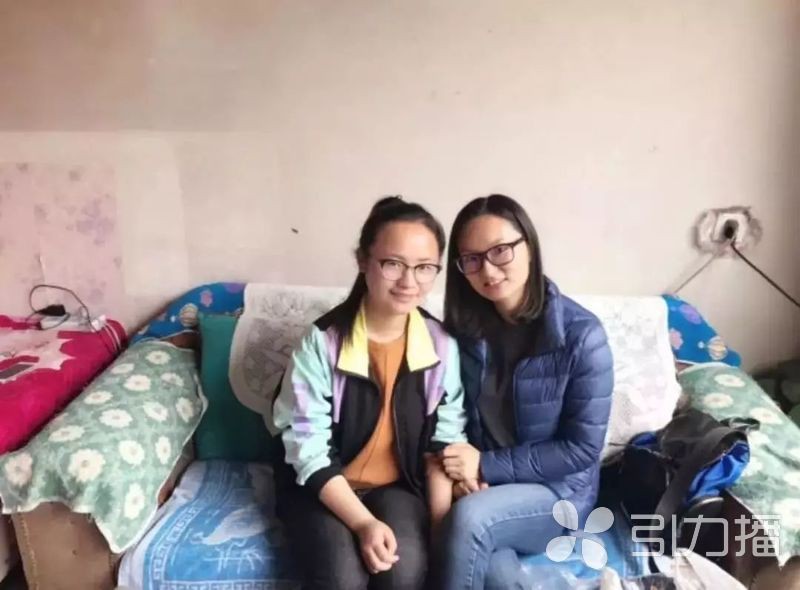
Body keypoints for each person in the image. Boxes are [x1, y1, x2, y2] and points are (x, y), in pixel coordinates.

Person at [271, 196, 467, 590]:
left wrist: (440, 527)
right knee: (341, 577)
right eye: (393, 264)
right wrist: (363, 523)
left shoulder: (441, 346)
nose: (409, 282)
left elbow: (444, 443)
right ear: (363, 261)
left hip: (397, 487)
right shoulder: (323, 342)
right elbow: (307, 449)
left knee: (403, 571)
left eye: (424, 267)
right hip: (321, 487)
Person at [436, 194, 614, 590]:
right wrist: (464, 474)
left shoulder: (582, 337)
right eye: (471, 259)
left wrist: (486, 466)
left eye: (500, 251)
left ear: (529, 246)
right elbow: (449, 412)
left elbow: (581, 449)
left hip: (556, 494)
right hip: (487, 488)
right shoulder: (465, 331)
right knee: (493, 570)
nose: (488, 269)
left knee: (470, 520)